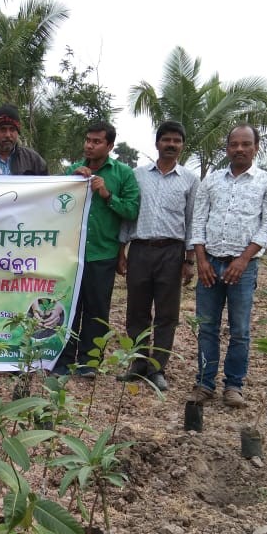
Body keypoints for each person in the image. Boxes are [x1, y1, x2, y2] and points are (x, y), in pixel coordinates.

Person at [188, 124, 267, 408]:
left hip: (243, 269)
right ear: (227, 148)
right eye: (234, 144)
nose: (239, 149)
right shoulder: (212, 181)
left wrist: (243, 260)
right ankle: (205, 384)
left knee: (240, 329)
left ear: (256, 148)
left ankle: (234, 386)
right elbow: (198, 221)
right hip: (210, 264)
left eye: (246, 144)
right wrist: (202, 260)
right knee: (207, 327)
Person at [118, 121, 199, 391]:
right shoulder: (138, 175)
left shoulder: (190, 180)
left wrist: (189, 261)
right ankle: (138, 364)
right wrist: (122, 250)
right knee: (136, 311)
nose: (171, 144)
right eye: (166, 140)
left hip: (171, 252)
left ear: (182, 146)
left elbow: (192, 221)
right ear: (157, 143)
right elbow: (128, 217)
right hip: (140, 249)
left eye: (177, 140)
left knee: (167, 313)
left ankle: (157, 369)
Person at [57, 121, 140, 376]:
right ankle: (63, 360)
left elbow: (132, 210)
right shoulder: (72, 170)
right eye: (88, 140)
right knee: (69, 307)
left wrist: (106, 195)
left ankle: (89, 362)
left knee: (97, 310)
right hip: (72, 253)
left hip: (102, 253)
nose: (90, 146)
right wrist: (70, 183)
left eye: (97, 142)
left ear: (110, 145)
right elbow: (54, 205)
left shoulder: (123, 173)